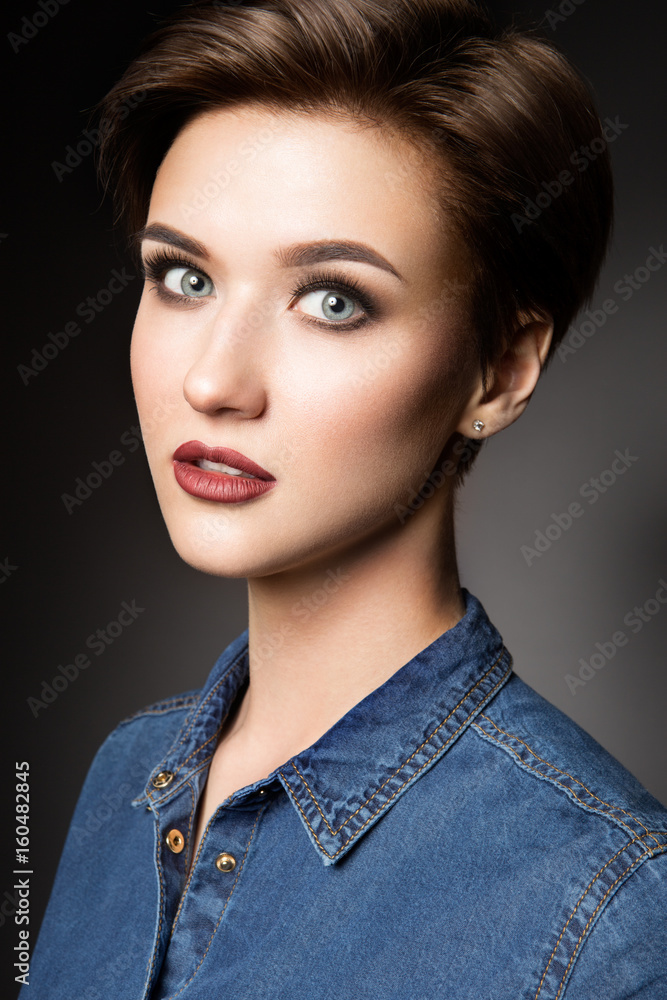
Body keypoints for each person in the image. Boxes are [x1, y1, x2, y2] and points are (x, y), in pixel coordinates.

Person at [22, 1, 667, 997]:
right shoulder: (126, 775)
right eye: (183, 277)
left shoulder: (610, 909)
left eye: (332, 300)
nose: (212, 381)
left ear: (499, 370)